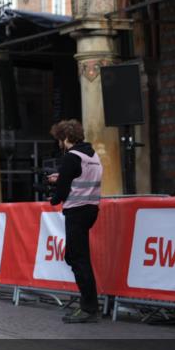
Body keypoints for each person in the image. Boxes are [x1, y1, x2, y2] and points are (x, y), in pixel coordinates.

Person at [48, 119, 102, 324]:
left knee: (78, 260)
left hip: (76, 210)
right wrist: (62, 177)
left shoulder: (71, 156)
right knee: (75, 256)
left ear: (65, 137)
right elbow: (79, 178)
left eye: (59, 139)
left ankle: (88, 308)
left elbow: (62, 190)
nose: (59, 143)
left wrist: (54, 198)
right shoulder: (93, 155)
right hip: (90, 209)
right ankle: (89, 305)